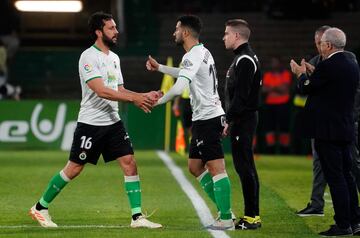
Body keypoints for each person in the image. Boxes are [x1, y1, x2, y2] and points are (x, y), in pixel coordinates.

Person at [29, 12, 162, 229]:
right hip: (91, 124)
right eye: (111, 28)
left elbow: (119, 90)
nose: (116, 31)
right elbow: (101, 91)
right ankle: (40, 207)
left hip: (113, 122)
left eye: (115, 27)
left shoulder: (114, 58)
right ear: (99, 32)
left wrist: (143, 95)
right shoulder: (88, 57)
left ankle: (137, 217)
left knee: (129, 163)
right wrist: (136, 98)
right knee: (74, 168)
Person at [146, 15, 234, 230]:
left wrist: (155, 103)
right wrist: (160, 68)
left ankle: (226, 217)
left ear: (185, 32)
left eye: (176, 29)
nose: (173, 33)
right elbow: (184, 73)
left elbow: (178, 88)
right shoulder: (201, 52)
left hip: (208, 118)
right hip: (204, 117)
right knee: (195, 167)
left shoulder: (192, 55)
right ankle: (226, 211)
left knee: (216, 168)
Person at [290, 27, 360, 236]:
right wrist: (313, 72)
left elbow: (306, 88)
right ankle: (355, 221)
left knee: (336, 177)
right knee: (347, 177)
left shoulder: (329, 65)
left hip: (327, 131)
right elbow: (329, 85)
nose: (319, 47)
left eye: (321, 44)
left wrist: (301, 74)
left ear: (328, 45)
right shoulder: (351, 63)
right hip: (345, 128)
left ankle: (343, 224)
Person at [222, 19, 262, 230]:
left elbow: (241, 97)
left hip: (244, 119)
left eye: (227, 33)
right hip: (243, 118)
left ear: (237, 36)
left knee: (245, 167)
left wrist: (229, 119)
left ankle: (252, 217)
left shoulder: (245, 59)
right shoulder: (243, 57)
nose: (224, 37)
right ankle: (252, 215)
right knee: (246, 167)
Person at [261, 56, 292, 154]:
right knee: (270, 128)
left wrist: (271, 87)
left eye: (275, 62)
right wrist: (278, 87)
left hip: (283, 104)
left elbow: (285, 89)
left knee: (284, 128)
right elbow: (264, 89)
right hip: (270, 105)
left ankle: (284, 150)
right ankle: (270, 150)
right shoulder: (267, 75)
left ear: (280, 64)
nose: (273, 64)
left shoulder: (286, 74)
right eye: (272, 62)